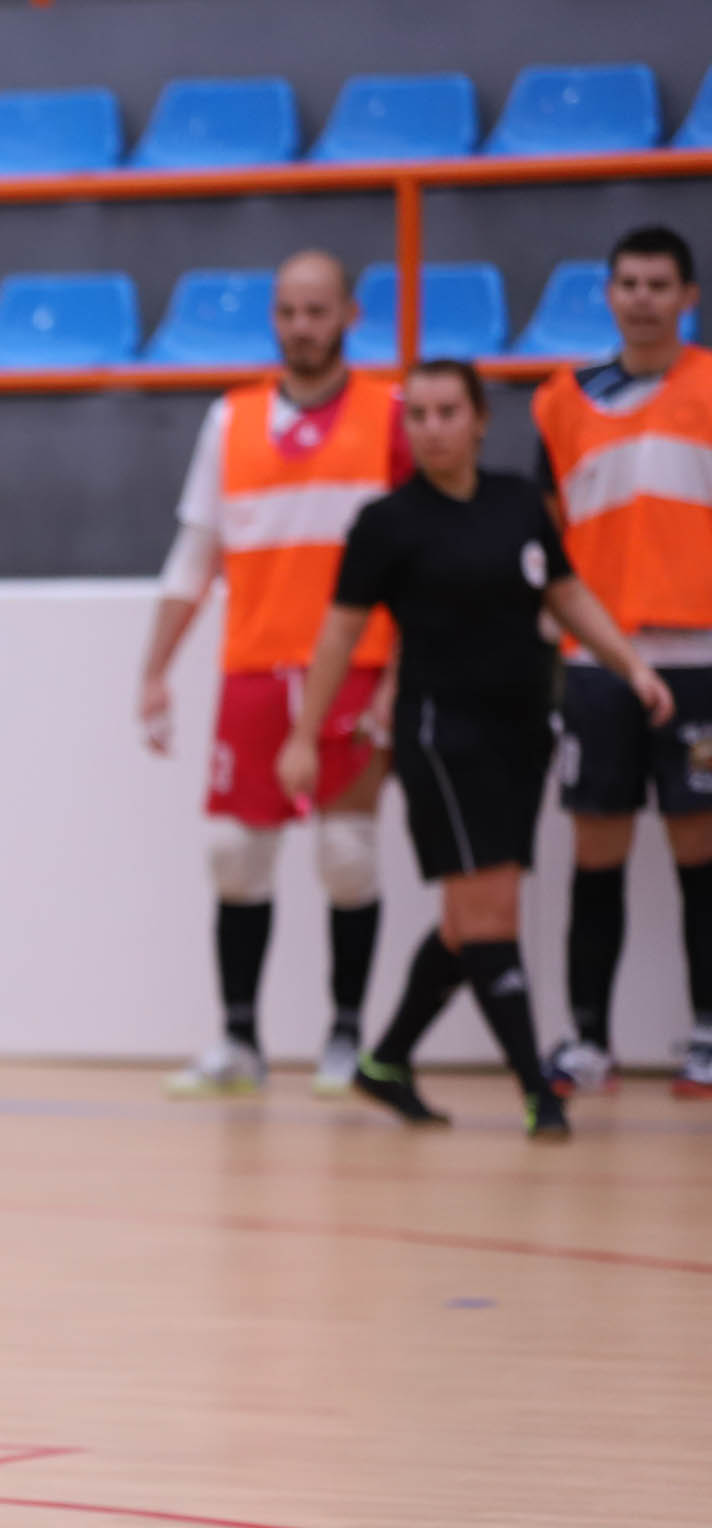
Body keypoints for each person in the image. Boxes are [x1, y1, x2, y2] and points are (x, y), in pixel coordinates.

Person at [281, 359, 672, 1137]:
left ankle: (385, 1059)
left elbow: (565, 594)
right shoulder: (386, 523)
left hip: (522, 734)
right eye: (417, 416)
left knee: (467, 923)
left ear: (478, 419)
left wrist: (630, 664)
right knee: (490, 912)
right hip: (441, 739)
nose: (431, 429)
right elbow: (339, 634)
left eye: (446, 413)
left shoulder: (519, 505)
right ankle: (539, 1091)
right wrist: (303, 736)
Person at [137, 249, 408, 1099]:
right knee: (234, 855)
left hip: (358, 667)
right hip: (254, 665)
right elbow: (195, 555)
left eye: (318, 311)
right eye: (289, 311)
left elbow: (418, 557)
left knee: (346, 854)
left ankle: (346, 1036)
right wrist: (154, 672)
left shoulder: (393, 416)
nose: (302, 327)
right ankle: (241, 1041)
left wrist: (402, 673)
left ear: (349, 317)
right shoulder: (230, 421)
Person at [532, 225, 712, 1099]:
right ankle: (589, 1038)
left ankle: (708, 1034)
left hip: (699, 656)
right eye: (627, 283)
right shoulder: (560, 402)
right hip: (597, 660)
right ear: (607, 295)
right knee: (595, 851)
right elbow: (542, 534)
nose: (641, 298)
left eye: (659, 284)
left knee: (699, 851)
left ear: (689, 298)